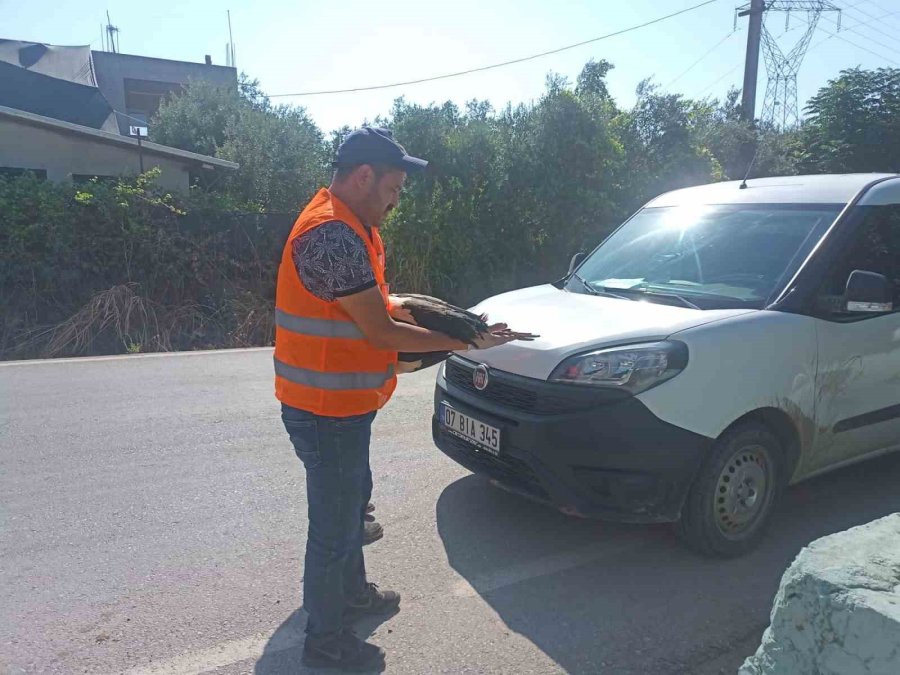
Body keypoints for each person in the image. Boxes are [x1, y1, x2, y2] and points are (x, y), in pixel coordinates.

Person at [275, 127, 526, 670]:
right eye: (393, 188)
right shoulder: (331, 234)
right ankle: (324, 641)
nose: (395, 200)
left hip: (341, 404)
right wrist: (466, 341)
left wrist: (447, 320)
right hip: (324, 410)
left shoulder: (351, 225)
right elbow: (381, 331)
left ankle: (352, 595)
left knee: (350, 507)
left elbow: (373, 306)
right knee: (334, 527)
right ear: (364, 176)